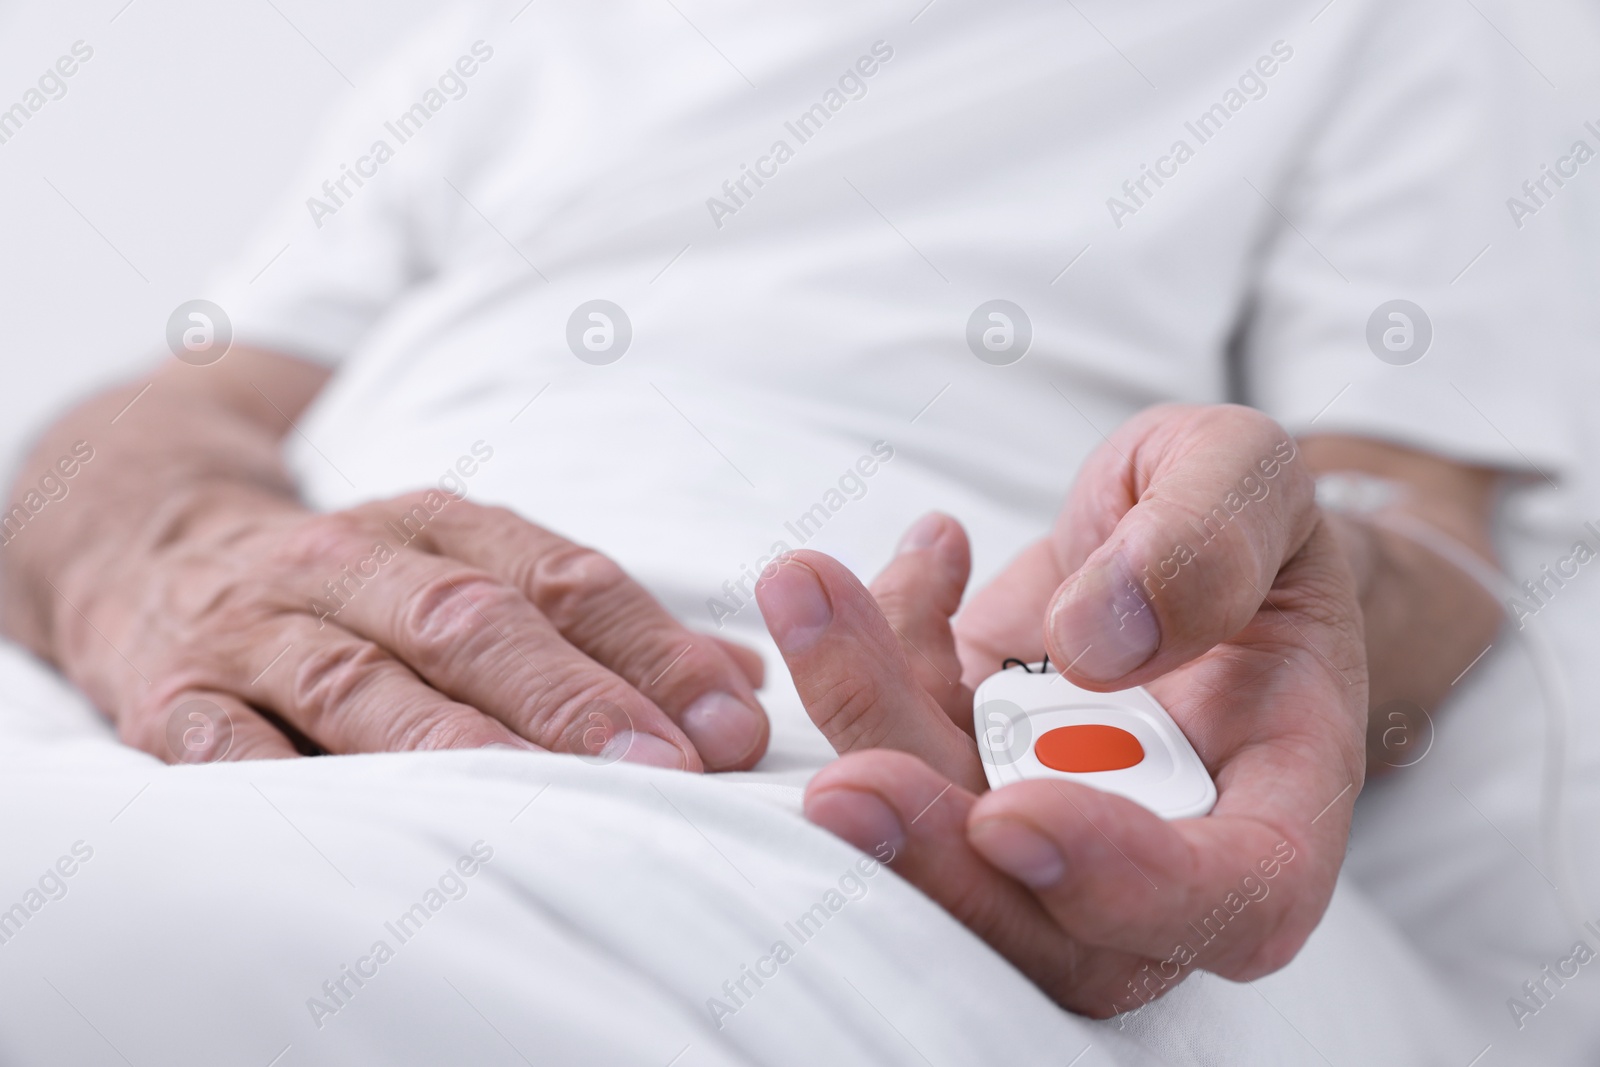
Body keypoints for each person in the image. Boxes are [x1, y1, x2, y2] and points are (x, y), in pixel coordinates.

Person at [0, 0, 1576, 1022]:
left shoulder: (1371, 29)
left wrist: (1257, 602)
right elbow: (185, 405)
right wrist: (177, 561)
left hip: (873, 741)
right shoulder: (525, 41)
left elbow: (1411, 524)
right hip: (216, 684)